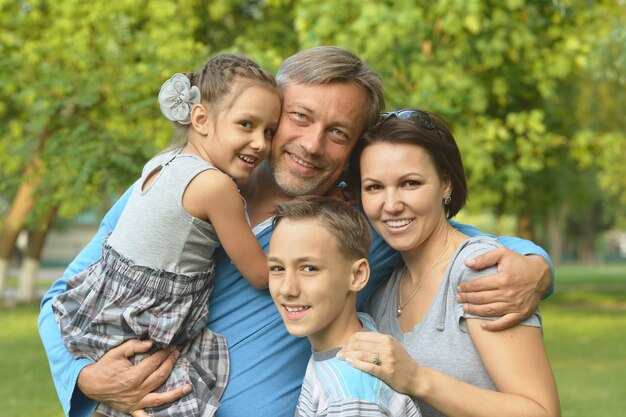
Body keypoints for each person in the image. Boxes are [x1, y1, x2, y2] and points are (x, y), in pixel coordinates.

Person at [39, 46, 554, 417]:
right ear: (270, 115)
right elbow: (63, 294)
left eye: (338, 133)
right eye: (299, 118)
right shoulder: (178, 187)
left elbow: (446, 233)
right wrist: (86, 377)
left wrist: (535, 266)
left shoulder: (358, 223)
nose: (311, 144)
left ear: (353, 151)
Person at [50, 53, 281, 417]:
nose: (261, 144)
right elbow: (260, 274)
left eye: (269, 131)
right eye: (247, 125)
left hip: (105, 313)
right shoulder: (215, 187)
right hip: (147, 327)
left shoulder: (161, 161)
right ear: (201, 118)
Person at [338, 109, 561, 417]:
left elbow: (541, 412)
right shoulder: (382, 290)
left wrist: (418, 379)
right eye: (375, 187)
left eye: (410, 183)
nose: (391, 205)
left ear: (446, 184)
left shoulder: (479, 270)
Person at [268, 196, 422, 416]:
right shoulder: (362, 331)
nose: (287, 289)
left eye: (309, 268)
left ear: (357, 275)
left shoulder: (349, 396)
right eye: (277, 268)